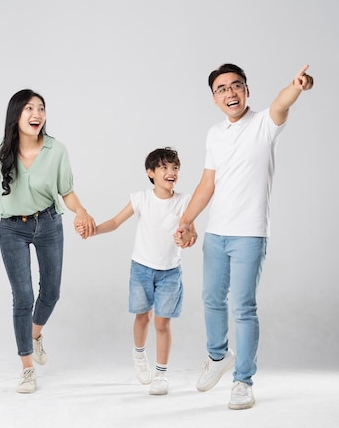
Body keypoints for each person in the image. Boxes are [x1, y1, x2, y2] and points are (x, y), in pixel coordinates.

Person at [175, 64, 314, 409]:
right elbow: (208, 183)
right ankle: (218, 356)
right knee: (210, 299)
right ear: (214, 98)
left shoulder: (264, 124)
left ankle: (243, 381)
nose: (230, 93)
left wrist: (295, 86)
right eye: (222, 89)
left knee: (243, 307)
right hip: (216, 233)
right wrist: (187, 220)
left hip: (250, 234)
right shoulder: (214, 134)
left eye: (236, 86)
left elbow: (282, 104)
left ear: (247, 91)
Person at [0, 89, 96, 394]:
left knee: (51, 292)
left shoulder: (57, 150)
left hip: (49, 223)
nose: (36, 114)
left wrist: (82, 211)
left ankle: (34, 334)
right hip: (12, 229)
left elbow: (67, 191)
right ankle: (27, 368)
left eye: (41, 108)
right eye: (29, 109)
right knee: (23, 297)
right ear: (16, 115)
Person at [80, 147, 195, 396]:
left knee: (163, 323)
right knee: (143, 317)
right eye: (164, 167)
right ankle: (139, 353)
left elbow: (190, 230)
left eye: (175, 167)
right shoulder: (141, 198)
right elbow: (115, 221)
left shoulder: (185, 201)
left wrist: (186, 237)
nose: (171, 172)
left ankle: (161, 374)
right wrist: (95, 230)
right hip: (141, 268)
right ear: (151, 173)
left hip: (170, 272)